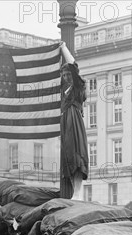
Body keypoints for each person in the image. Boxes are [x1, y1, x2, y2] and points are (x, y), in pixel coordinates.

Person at [59, 61, 88, 200]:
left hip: (74, 120)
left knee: (76, 154)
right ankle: (75, 193)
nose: (66, 77)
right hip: (66, 123)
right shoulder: (66, 90)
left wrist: (63, 48)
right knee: (68, 155)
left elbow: (73, 66)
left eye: (68, 74)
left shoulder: (78, 86)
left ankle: (77, 193)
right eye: (64, 75)